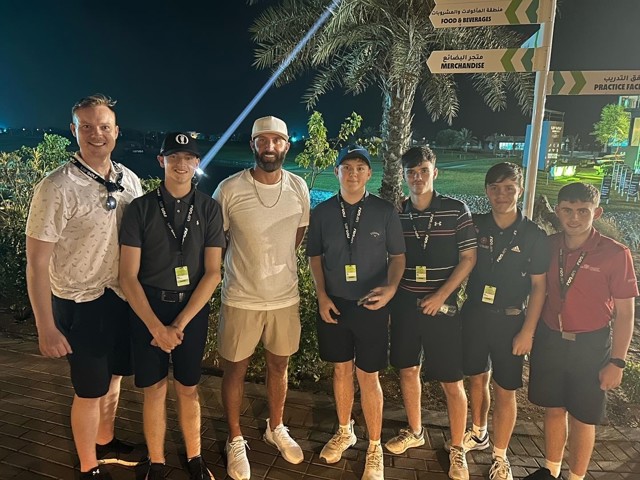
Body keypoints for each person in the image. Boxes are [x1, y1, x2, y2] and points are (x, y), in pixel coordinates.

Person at [25, 94, 144, 479]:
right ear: (73, 131)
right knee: (89, 389)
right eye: (87, 127)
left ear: (116, 131)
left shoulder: (130, 180)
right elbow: (36, 262)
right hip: (80, 301)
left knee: (114, 377)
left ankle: (105, 441)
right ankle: (88, 466)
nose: (97, 134)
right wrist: (45, 326)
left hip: (122, 296)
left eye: (104, 126)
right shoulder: (56, 186)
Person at [119, 132, 225, 480]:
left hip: (191, 311)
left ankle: (195, 458)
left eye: (188, 157)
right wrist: (156, 327)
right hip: (148, 308)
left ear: (197, 163)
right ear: (161, 161)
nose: (181, 164)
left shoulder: (209, 208)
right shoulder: (140, 208)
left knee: (188, 388)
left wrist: (178, 325)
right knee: (154, 389)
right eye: (173, 157)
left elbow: (213, 272)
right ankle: (157, 461)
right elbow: (127, 277)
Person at [212, 116, 310, 480]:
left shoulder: (298, 187)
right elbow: (218, 240)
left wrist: (276, 264)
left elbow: (298, 234)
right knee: (234, 369)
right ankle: (235, 438)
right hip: (241, 297)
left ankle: (275, 426)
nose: (270, 147)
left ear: (286, 145)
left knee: (279, 366)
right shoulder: (228, 189)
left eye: (277, 140)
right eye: (262, 141)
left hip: (284, 297)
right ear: (253, 145)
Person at [524, 182, 638, 480]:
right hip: (551, 339)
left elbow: (626, 314)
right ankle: (551, 472)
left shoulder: (615, 253)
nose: (574, 218)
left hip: (591, 345)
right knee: (553, 409)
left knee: (583, 418)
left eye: (583, 211)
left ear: (596, 213)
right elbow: (538, 290)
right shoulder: (549, 246)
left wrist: (618, 361)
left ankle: (576, 477)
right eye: (567, 210)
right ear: (558, 211)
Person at [307, 144, 406, 480]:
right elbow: (315, 257)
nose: (352, 174)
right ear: (336, 172)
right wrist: (321, 295)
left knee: (368, 376)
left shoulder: (384, 211)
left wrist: (391, 289)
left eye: (359, 168)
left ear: (369, 174)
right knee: (340, 371)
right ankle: (344, 431)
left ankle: (374, 447)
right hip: (335, 303)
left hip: (371, 305)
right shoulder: (322, 212)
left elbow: (398, 257)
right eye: (346, 168)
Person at [383, 146, 477, 480]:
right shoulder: (397, 213)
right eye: (411, 172)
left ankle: (457, 447)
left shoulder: (456, 210)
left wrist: (440, 295)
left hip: (443, 307)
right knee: (408, 370)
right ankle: (415, 431)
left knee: (452, 380)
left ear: (435, 172)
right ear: (404, 176)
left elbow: (468, 258)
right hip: (405, 305)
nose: (417, 177)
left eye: (423, 170)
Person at [460, 162, 550, 480]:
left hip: (511, 321)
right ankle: (479, 433)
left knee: (505, 389)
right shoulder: (474, 224)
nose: (502, 195)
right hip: (475, 315)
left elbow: (539, 288)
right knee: (476, 379)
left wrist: (528, 331)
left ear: (520, 190)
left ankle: (500, 456)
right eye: (495, 188)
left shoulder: (534, 235)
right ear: (486, 191)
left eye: (509, 188)